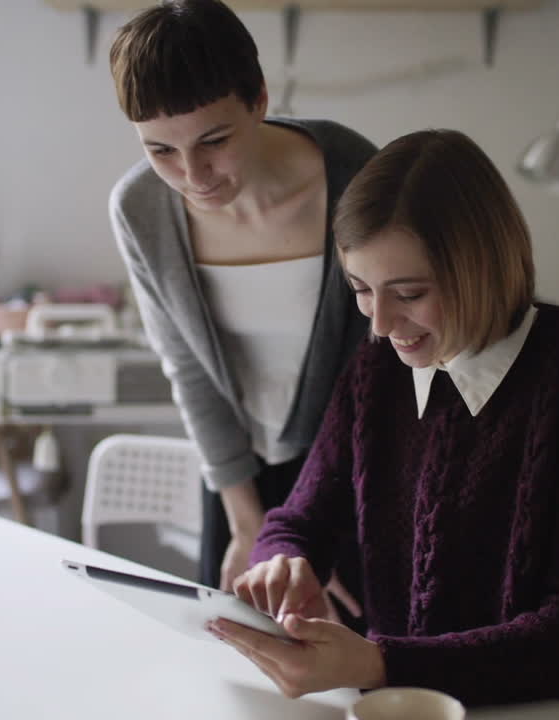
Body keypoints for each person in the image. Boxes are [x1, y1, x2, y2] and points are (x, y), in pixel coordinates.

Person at [210, 129, 559, 720]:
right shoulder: (376, 370)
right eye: (360, 291)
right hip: (415, 702)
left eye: (409, 292)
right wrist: (283, 559)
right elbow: (299, 518)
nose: (379, 323)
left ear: (481, 264)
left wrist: (377, 661)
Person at [106, 0, 374, 602]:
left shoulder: (358, 176)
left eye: (215, 140)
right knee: (236, 664)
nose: (193, 174)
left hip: (352, 471)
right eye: (160, 151)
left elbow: (380, 368)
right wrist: (248, 520)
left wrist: (312, 523)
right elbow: (189, 370)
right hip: (236, 480)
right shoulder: (140, 210)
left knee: (355, 668)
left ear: (258, 99)